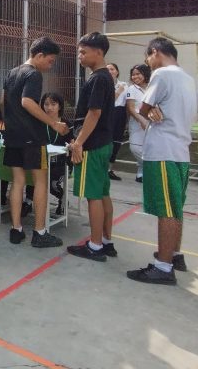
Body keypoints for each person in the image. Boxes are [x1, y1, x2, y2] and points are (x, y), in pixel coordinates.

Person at [127, 37, 198, 285]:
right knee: (175, 206)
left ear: (155, 52)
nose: (148, 63)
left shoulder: (162, 74)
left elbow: (143, 108)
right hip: (180, 150)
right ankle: (174, 255)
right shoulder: (187, 78)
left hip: (162, 151)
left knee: (165, 210)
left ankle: (163, 267)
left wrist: (150, 109)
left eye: (148, 57)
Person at [0, 37, 69, 247]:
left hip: (13, 136)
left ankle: (16, 229)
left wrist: (10, 124)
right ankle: (39, 232)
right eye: (50, 61)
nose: (50, 65)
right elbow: (27, 101)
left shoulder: (12, 72)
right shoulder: (33, 74)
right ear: (39, 55)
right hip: (32, 137)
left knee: (18, 181)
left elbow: (2, 102)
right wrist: (53, 124)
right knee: (41, 181)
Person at [66, 32, 115, 262]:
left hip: (93, 145)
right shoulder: (104, 78)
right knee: (103, 193)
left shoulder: (98, 79)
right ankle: (106, 240)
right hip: (103, 143)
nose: (80, 56)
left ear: (99, 52)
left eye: (83, 52)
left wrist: (78, 142)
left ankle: (95, 246)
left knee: (93, 196)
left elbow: (94, 113)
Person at [41, 92, 73, 217]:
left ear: (60, 106)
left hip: (62, 163)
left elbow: (73, 142)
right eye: (46, 104)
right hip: (43, 160)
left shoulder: (66, 124)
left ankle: (63, 198)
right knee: (34, 175)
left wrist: (71, 145)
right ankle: (28, 201)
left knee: (52, 183)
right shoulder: (40, 122)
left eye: (53, 104)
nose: (49, 107)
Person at [125, 64, 151, 183]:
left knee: (148, 148)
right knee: (135, 148)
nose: (135, 77)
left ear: (145, 74)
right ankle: (151, 167)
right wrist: (142, 120)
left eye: (138, 74)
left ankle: (141, 173)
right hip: (136, 124)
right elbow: (130, 108)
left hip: (152, 123)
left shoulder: (152, 87)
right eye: (133, 74)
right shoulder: (132, 89)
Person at [106, 62, 126, 181]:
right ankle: (103, 169)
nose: (110, 71)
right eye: (107, 69)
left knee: (116, 143)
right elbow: (109, 101)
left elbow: (129, 102)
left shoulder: (124, 85)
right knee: (105, 141)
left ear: (117, 71)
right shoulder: (103, 84)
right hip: (107, 114)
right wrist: (118, 92)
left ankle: (109, 169)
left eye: (112, 69)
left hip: (120, 115)